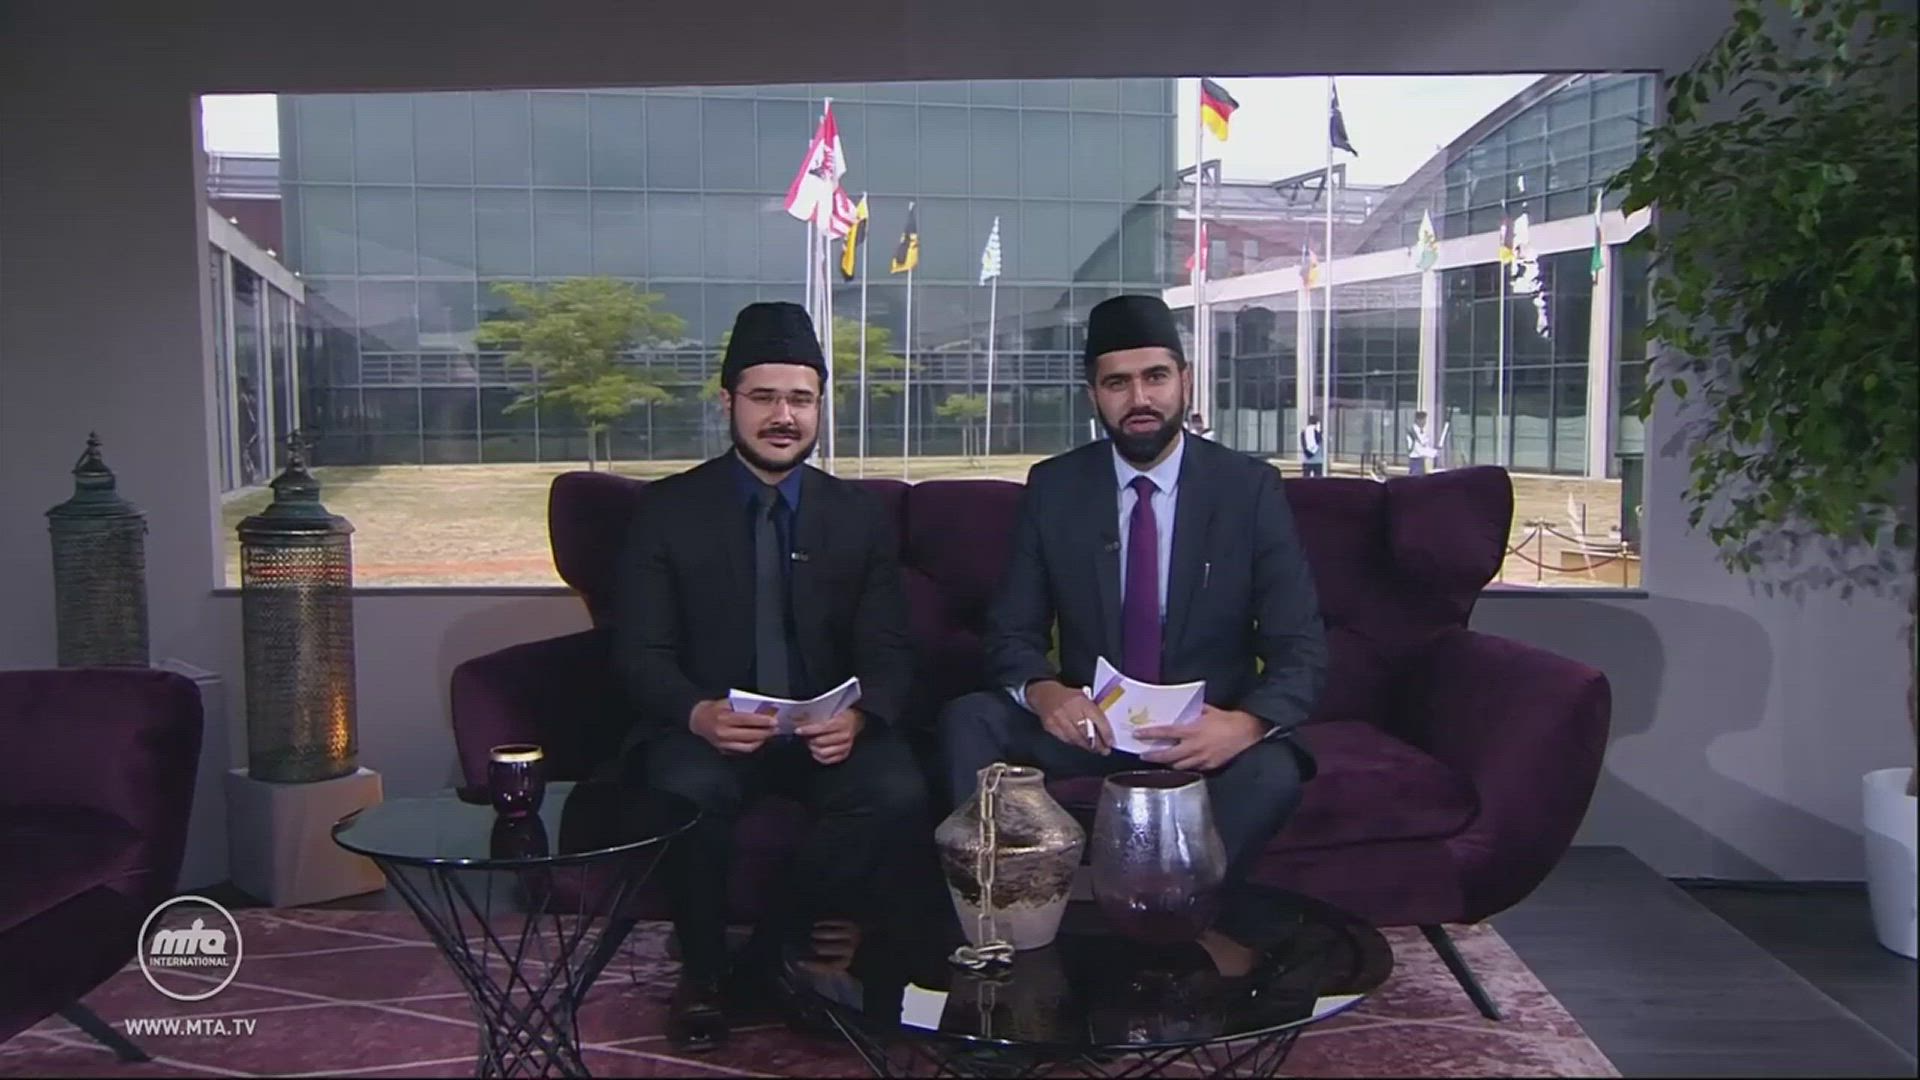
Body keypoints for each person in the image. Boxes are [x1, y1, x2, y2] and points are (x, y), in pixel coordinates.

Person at [610, 301, 926, 1051]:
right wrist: (697, 713)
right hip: (711, 730)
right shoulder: (666, 510)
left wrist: (860, 718)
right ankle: (704, 974)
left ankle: (762, 961)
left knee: (897, 789)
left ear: (819, 408)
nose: (783, 416)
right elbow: (637, 653)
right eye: (764, 397)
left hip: (824, 733)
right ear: (728, 402)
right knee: (686, 788)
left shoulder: (858, 515)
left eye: (800, 399)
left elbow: (889, 652)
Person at [939, 294, 1328, 890]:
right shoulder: (1055, 488)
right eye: (1117, 383)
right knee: (969, 719)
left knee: (1274, 774)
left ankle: (1168, 913)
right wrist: (1046, 693)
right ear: (1093, 396)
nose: (1140, 399)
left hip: (1205, 731)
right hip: (1090, 728)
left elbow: (1299, 646)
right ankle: (1010, 909)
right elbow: (1011, 632)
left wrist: (1244, 726)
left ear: (1185, 382)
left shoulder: (1247, 489)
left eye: (1156, 377)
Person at [1407, 410, 1439, 476]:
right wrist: (1434, 453)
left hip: (1420, 461)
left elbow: (1424, 445)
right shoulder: (1413, 433)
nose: (1425, 422)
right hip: (1415, 461)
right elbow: (1419, 449)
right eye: (1424, 420)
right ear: (1418, 420)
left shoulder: (1421, 431)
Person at [1299, 413, 1326, 478]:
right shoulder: (1318, 433)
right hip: (1318, 460)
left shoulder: (1303, 433)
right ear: (1317, 423)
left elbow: (1303, 445)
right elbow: (1320, 442)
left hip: (1307, 460)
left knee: (1306, 479)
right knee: (1318, 480)